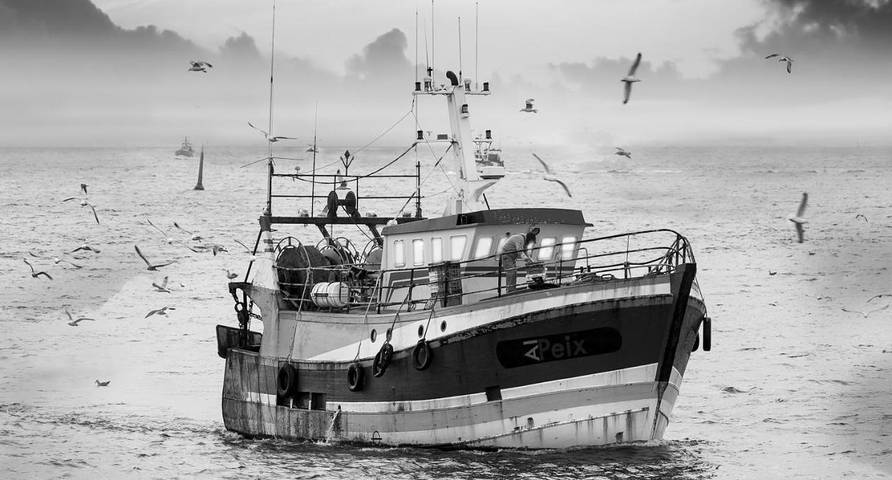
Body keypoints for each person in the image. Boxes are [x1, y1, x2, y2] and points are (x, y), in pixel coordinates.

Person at [499, 227, 540, 293]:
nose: (529, 243)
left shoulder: (524, 241)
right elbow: (519, 251)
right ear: (528, 239)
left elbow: (526, 252)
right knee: (511, 271)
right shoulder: (519, 238)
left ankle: (512, 288)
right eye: (530, 242)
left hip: (512, 257)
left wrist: (532, 261)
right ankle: (509, 290)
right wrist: (526, 259)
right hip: (506, 256)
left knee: (514, 271)